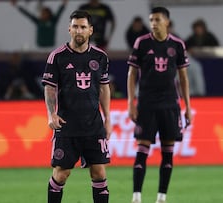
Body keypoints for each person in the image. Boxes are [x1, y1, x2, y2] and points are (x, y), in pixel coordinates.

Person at [42, 10, 112, 203]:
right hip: (67, 125)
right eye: (75, 26)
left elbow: (104, 89)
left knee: (98, 173)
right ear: (69, 29)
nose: (78, 30)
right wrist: (51, 114)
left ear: (90, 30)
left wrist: (108, 119)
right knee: (61, 174)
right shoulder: (57, 57)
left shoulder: (100, 57)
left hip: (93, 126)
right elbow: (49, 88)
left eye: (82, 27)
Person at [127, 7, 192, 203]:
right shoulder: (142, 42)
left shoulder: (178, 45)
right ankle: (136, 196)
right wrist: (132, 101)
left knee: (168, 150)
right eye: (151, 20)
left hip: (170, 105)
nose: (153, 23)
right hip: (146, 103)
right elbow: (131, 74)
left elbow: (183, 77)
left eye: (157, 19)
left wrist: (187, 106)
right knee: (142, 148)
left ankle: (161, 197)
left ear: (167, 22)